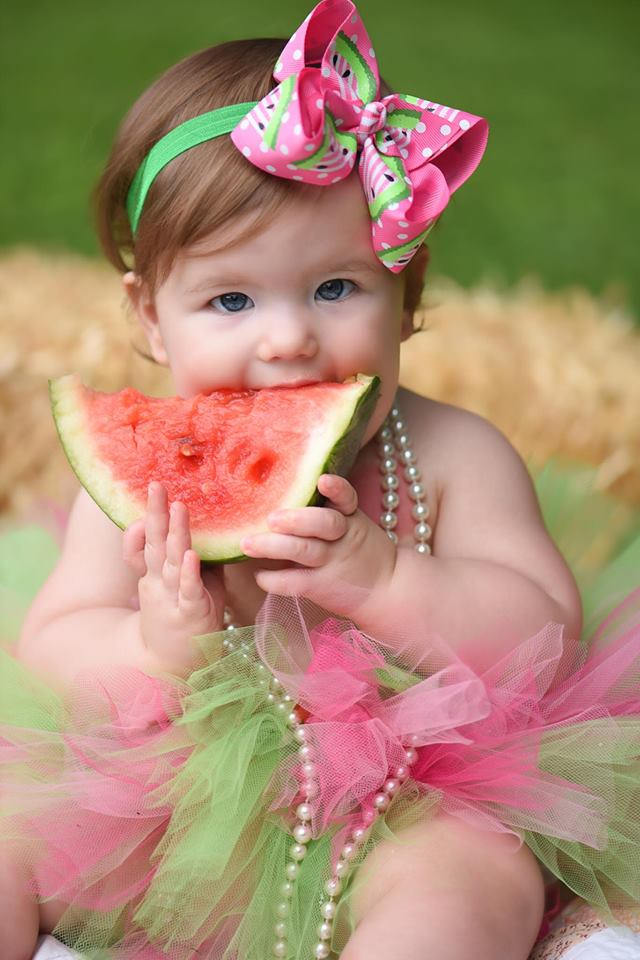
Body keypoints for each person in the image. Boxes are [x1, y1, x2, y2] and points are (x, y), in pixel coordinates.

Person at [2, 1, 640, 958]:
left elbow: (544, 629)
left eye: (337, 288)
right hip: (159, 803)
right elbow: (51, 646)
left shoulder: (457, 453)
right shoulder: (144, 486)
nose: (290, 337)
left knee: (472, 883)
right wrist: (152, 645)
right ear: (148, 317)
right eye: (229, 298)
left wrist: (389, 583)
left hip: (414, 799)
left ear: (406, 292)